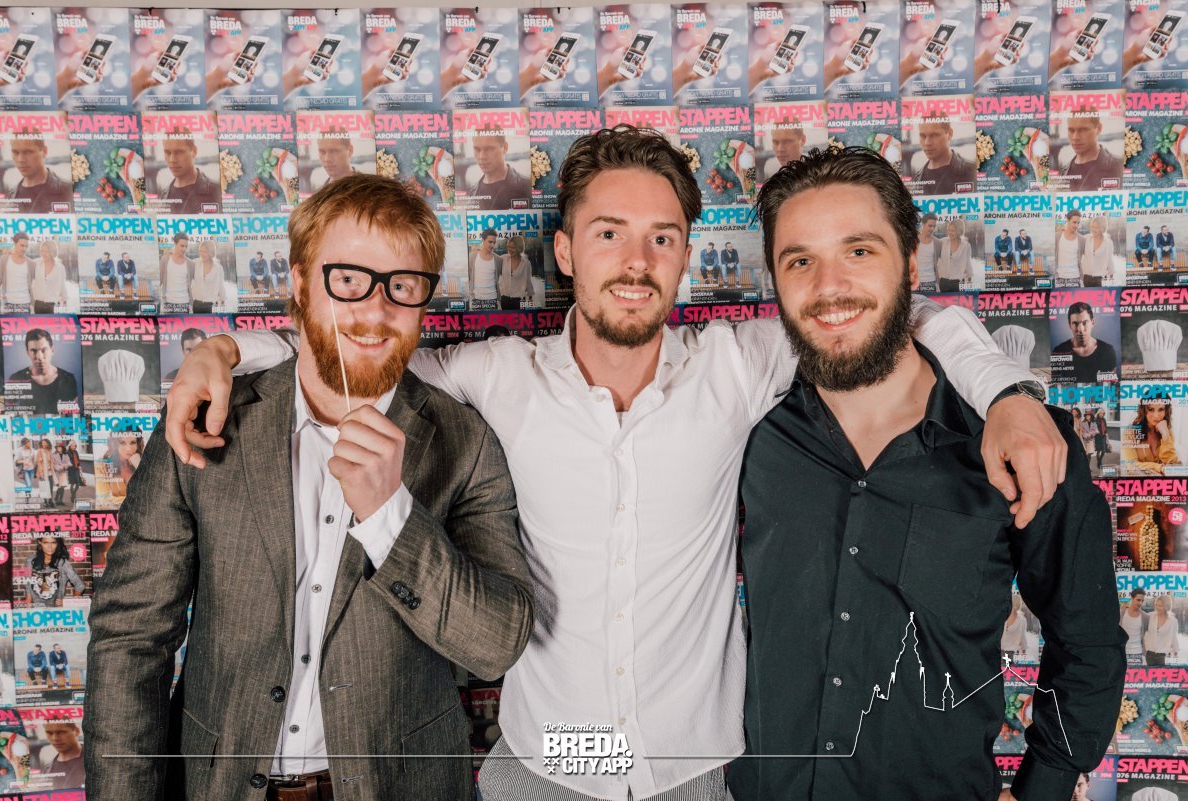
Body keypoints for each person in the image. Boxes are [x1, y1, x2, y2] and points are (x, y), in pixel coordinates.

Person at [164, 126, 1068, 801]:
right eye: (608, 234)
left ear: (685, 256)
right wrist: (227, 351)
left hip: (695, 770)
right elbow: (360, 348)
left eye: (661, 237)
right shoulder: (499, 375)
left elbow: (905, 314)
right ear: (564, 250)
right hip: (546, 769)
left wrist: (1008, 393)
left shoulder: (737, 365)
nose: (636, 262)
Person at [84, 174, 534, 801]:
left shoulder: (465, 441)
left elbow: (495, 646)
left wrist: (390, 517)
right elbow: (132, 639)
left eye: (402, 286)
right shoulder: (205, 419)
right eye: (347, 279)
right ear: (299, 282)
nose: (375, 311)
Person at [733, 145, 1124, 801]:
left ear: (910, 264)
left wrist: (1046, 785)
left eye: (859, 250)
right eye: (800, 260)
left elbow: (1087, 643)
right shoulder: (747, 428)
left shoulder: (1025, 442)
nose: (828, 286)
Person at [8, 329, 80, 416]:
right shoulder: (16, 379)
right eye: (33, 351)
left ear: (52, 350)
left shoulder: (68, 379)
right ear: (27, 353)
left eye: (44, 350)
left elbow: (73, 416)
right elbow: (9, 413)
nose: (39, 357)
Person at [1052, 302, 1119, 384]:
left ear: (1092, 323)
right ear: (1069, 325)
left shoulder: (1107, 350)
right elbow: (1053, 384)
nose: (1080, 329)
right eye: (1075, 323)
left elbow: (1112, 385)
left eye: (1084, 323)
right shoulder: (1059, 351)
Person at [912, 116, 976, 195]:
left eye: (934, 135)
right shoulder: (917, 178)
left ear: (950, 134)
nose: (927, 143)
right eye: (923, 136)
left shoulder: (971, 171)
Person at [469, 129, 531, 211]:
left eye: (489, 149)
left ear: (505, 147)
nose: (482, 156)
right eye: (477, 149)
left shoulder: (526, 187)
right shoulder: (472, 192)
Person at [8, 135, 72, 213]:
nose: (20, 160)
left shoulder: (67, 190)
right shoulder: (11, 196)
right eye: (15, 152)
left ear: (44, 151)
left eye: (28, 152)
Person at [1063, 112, 1124, 192]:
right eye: (1071, 130)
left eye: (1083, 130)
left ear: (1098, 128)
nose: (1075, 137)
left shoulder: (1118, 166)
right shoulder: (1064, 171)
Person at [161, 134, 220, 214]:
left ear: (194, 151)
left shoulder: (215, 190)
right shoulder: (164, 195)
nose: (172, 160)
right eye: (167, 153)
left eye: (179, 152)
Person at [1124, 394, 1180, 474]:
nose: (1156, 416)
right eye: (1151, 409)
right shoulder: (1131, 431)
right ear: (1144, 410)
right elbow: (1131, 465)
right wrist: (1160, 468)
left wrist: (1165, 435)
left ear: (1166, 411)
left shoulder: (1167, 430)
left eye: (1161, 409)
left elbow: (1171, 463)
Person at [27, 536, 85, 607]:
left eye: (53, 543)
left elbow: (80, 585)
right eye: (46, 543)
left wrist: (68, 603)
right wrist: (28, 607)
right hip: (36, 611)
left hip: (57, 611)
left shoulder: (62, 563)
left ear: (57, 544)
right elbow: (28, 587)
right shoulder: (31, 561)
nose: (50, 547)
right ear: (40, 543)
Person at [40, 718, 85, 790]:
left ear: (76, 731)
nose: (55, 738)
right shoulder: (47, 770)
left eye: (61, 732)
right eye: (49, 733)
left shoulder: (95, 759)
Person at [0, 232, 33, 311]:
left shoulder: (31, 263)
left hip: (24, 303)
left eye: (26, 246)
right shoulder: (4, 259)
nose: (24, 249)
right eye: (22, 245)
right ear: (14, 244)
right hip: (7, 303)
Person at [189, 239, 225, 314]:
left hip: (211, 306)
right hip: (196, 304)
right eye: (200, 251)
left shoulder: (218, 268)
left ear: (211, 252)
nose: (202, 254)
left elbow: (221, 287)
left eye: (205, 251)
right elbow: (183, 263)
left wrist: (223, 303)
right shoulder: (195, 263)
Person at [936, 217, 972, 292]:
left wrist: (969, 280)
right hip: (943, 282)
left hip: (958, 282)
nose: (950, 233)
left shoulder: (966, 245)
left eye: (953, 231)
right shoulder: (942, 242)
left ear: (959, 231)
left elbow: (968, 264)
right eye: (949, 230)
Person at [33, 240, 68, 314]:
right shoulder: (36, 263)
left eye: (46, 251)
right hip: (38, 304)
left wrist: (65, 303)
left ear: (52, 252)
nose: (43, 253)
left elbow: (62, 286)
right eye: (42, 251)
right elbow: (24, 261)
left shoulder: (60, 267)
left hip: (53, 305)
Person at [498, 234, 532, 310]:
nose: (510, 249)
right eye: (508, 247)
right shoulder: (503, 259)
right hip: (504, 299)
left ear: (519, 248)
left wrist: (530, 299)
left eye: (513, 247)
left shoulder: (526, 263)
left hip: (519, 300)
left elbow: (528, 282)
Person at [1055, 210, 1088, 286]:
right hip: (1059, 278)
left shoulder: (1082, 239)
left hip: (1075, 278)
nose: (1076, 225)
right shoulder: (1057, 236)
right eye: (1074, 222)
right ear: (1067, 220)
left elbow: (1089, 256)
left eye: (1078, 223)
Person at [1144, 595, 1179, 665]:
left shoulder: (1173, 621)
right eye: (1156, 605)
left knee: (1164, 673)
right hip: (1149, 655)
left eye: (1160, 606)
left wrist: (1176, 654)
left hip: (1164, 656)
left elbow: (1174, 638)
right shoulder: (1150, 616)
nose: (1157, 607)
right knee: (1150, 672)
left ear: (1166, 606)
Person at [469, 228, 501, 306]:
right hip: (476, 298)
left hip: (493, 298)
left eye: (494, 242)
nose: (493, 245)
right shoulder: (472, 256)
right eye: (490, 242)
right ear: (483, 240)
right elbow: (469, 277)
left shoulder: (498, 259)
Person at [160, 232, 192, 309]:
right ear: (175, 243)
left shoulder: (190, 263)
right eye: (182, 246)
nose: (184, 249)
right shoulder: (165, 259)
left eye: (186, 246)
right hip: (168, 302)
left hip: (184, 303)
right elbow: (160, 280)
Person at [1083, 216, 1114, 287]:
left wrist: (1111, 277)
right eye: (1092, 227)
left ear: (1102, 228)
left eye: (1096, 227)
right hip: (1086, 277)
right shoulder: (1086, 238)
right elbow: (1074, 238)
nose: (1093, 229)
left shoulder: (1108, 242)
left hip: (1100, 279)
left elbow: (1110, 260)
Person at [1121, 587, 1148, 665]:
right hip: (1122, 653)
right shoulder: (1121, 613)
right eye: (1138, 600)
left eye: (1142, 601)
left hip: (1138, 653)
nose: (1140, 603)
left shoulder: (1145, 616)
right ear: (1132, 598)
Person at [1000, 594, 1028, 663]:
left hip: (1010, 653)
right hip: (999, 651)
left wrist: (1024, 650)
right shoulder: (1002, 616)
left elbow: (1022, 636)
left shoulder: (1021, 620)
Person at [916, 213, 940, 291]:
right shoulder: (913, 240)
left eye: (934, 226)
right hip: (915, 282)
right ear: (923, 224)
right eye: (930, 226)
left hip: (930, 281)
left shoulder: (937, 242)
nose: (932, 229)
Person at [52, 442, 70, 507]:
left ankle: (60, 500)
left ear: (62, 448)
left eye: (60, 447)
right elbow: (53, 464)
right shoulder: (54, 455)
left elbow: (68, 462)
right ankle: (57, 499)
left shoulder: (66, 455)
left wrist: (64, 467)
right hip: (57, 473)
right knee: (59, 486)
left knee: (63, 486)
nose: (59, 448)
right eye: (58, 447)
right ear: (56, 448)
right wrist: (59, 468)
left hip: (64, 472)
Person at [66, 441, 82, 508]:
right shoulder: (68, 452)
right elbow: (67, 461)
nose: (74, 447)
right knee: (72, 483)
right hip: (71, 469)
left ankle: (73, 495)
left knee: (78, 483)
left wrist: (79, 466)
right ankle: (73, 497)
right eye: (72, 445)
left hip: (76, 469)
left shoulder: (76, 452)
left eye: (75, 446)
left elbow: (78, 460)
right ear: (70, 446)